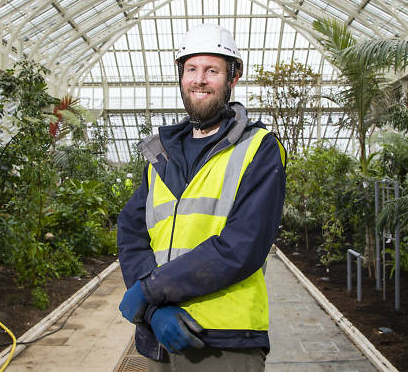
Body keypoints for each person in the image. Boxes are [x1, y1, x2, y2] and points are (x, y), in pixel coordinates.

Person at [116, 23, 286, 372]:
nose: (200, 79)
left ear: (233, 78)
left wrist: (149, 291)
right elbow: (132, 232)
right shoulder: (162, 156)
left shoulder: (258, 149)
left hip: (224, 341)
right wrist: (154, 311)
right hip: (161, 336)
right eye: (191, 69)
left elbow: (242, 245)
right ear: (181, 77)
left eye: (212, 70)